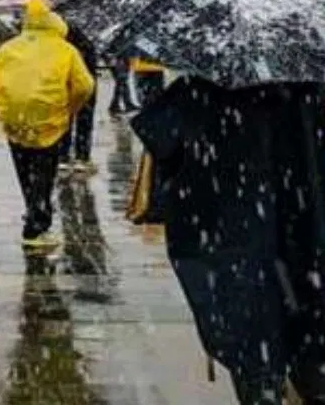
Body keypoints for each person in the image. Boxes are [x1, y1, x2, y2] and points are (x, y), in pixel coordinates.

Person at [133, 78, 325, 404]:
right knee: (309, 322)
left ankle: (262, 386)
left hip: (230, 227)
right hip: (307, 228)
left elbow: (159, 135)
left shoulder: (202, 88)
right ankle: (310, 382)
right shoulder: (313, 87)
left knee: (248, 324)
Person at [0, 0, 94, 250]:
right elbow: (85, 86)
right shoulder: (65, 50)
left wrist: (5, 109)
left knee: (25, 170)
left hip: (15, 121)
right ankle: (36, 227)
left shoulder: (7, 48)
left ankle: (33, 210)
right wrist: (70, 108)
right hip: (49, 121)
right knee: (44, 173)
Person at [58, 24, 100, 174]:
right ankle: (82, 157)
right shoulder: (92, 32)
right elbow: (91, 61)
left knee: (65, 119)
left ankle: (63, 156)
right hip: (85, 81)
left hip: (66, 80)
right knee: (85, 120)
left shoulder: (61, 30)